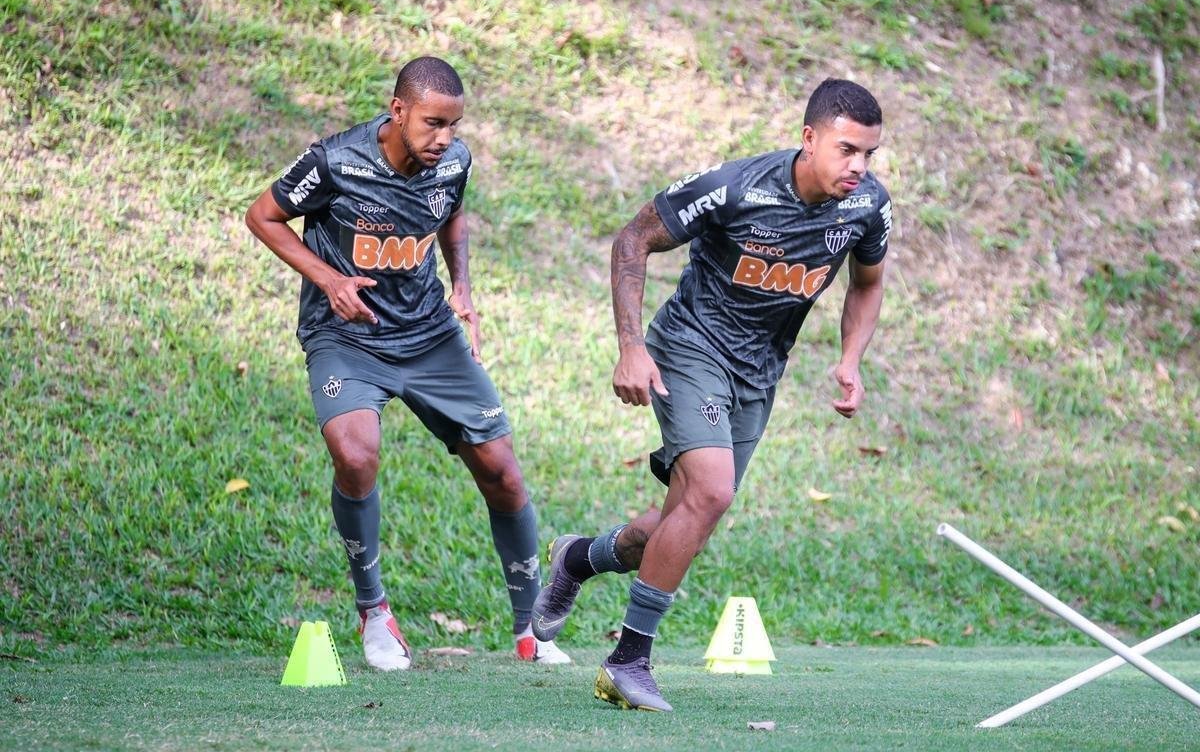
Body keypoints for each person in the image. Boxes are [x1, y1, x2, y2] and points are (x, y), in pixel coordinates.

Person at [531, 78, 893, 710]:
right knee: (714, 490)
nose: (859, 167)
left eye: (869, 154)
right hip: (690, 350)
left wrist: (851, 359)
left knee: (684, 522)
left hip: (758, 374)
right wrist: (630, 346)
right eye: (847, 150)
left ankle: (579, 559)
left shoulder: (865, 209)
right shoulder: (736, 187)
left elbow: (868, 282)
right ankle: (627, 663)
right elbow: (633, 238)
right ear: (808, 139)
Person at [244, 56, 569, 670]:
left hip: (429, 335)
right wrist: (328, 277)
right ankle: (375, 612)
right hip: (347, 335)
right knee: (356, 453)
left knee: (502, 471)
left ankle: (532, 628)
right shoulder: (333, 162)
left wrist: (463, 289)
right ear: (398, 111)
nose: (444, 138)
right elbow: (262, 215)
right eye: (432, 123)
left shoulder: (452, 161)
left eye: (453, 124)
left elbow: (451, 213)